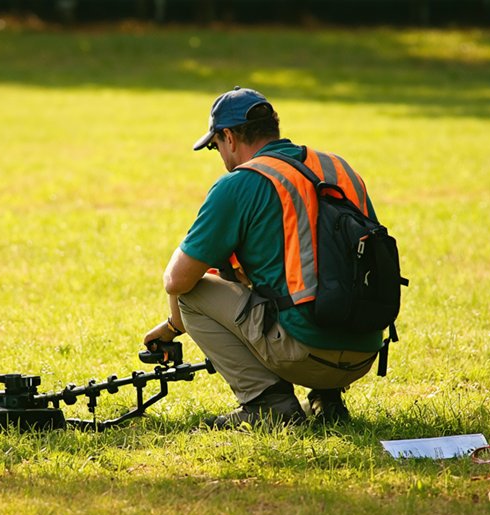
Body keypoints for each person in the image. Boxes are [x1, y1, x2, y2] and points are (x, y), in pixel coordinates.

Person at [143, 86, 386, 428]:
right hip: (364, 351)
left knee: (194, 292)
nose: (222, 157)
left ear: (228, 137)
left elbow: (178, 281)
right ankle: (326, 398)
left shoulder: (240, 184)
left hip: (305, 352)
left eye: (215, 146)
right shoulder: (338, 169)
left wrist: (171, 327)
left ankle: (268, 404)